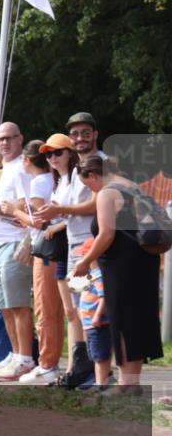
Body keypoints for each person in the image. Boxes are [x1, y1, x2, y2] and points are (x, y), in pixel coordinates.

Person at [71, 156, 162, 394]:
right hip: (145, 262)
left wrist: (85, 261)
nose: (91, 190)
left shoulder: (106, 193)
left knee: (122, 323)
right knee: (138, 321)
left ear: (92, 175)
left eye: (87, 184)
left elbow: (106, 235)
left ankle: (125, 383)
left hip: (121, 267)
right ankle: (132, 382)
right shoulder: (132, 186)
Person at [36, 112, 107, 388]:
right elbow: (68, 213)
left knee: (92, 310)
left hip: (94, 245)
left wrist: (60, 212)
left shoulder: (100, 164)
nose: (80, 138)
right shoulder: (74, 172)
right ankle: (83, 369)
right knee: (80, 309)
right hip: (75, 247)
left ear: (95, 134)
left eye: (84, 133)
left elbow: (97, 205)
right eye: (75, 134)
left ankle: (100, 373)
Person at [0, 140, 64, 384]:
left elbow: (38, 221)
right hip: (53, 246)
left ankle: (48, 364)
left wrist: (14, 212)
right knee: (55, 309)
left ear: (27, 160)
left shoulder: (39, 181)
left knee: (45, 309)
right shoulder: (52, 179)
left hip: (46, 249)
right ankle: (50, 362)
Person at [0, 123, 36, 381]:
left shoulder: (23, 168)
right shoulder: (2, 172)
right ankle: (16, 354)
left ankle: (25, 356)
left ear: (19, 138)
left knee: (18, 304)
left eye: (9, 138)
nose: (4, 143)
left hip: (16, 243)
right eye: (0, 139)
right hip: (0, 244)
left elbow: (29, 205)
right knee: (4, 306)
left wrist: (0, 209)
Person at [38, 133, 85, 383]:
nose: (52, 158)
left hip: (77, 249)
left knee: (80, 308)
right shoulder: (61, 181)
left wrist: (55, 225)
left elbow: (81, 213)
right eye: (48, 154)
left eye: (58, 152)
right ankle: (74, 367)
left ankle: (86, 365)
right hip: (64, 251)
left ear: (70, 153)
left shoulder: (78, 177)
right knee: (70, 310)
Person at [74, 238, 114, 390]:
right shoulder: (92, 275)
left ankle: (101, 383)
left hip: (98, 323)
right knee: (95, 355)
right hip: (90, 323)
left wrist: (97, 315)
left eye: (84, 255)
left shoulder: (99, 275)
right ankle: (99, 382)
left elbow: (104, 297)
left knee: (100, 356)